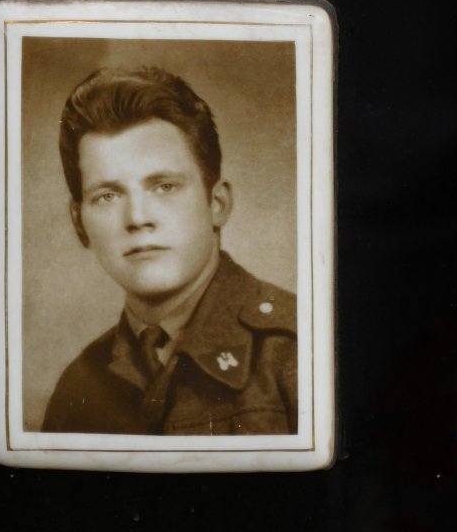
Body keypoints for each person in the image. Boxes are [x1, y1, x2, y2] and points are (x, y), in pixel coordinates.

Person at [42, 66, 298, 435]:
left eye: (164, 187)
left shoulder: (298, 351)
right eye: (108, 196)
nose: (138, 218)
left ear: (217, 203)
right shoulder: (77, 388)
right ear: (79, 222)